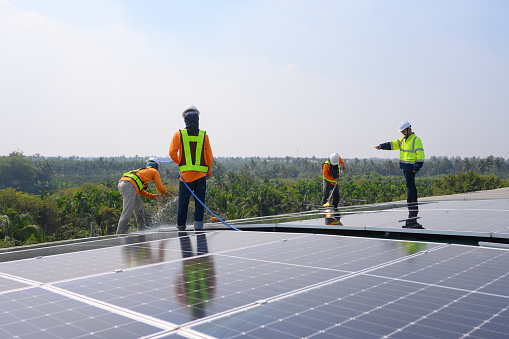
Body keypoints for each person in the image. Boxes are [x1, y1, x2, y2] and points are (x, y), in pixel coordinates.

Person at [169, 105, 213, 231]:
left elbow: (172, 153)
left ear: (185, 119)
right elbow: (209, 156)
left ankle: (181, 227)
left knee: (183, 204)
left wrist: (181, 163)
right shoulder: (204, 136)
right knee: (200, 203)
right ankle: (198, 228)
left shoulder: (178, 135)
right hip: (200, 176)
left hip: (185, 178)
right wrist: (208, 171)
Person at [375, 121, 425, 228]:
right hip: (405, 168)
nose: (402, 133)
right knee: (410, 187)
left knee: (410, 188)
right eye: (401, 131)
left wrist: (417, 166)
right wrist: (381, 146)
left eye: (403, 131)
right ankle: (412, 209)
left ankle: (412, 210)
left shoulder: (416, 140)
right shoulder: (403, 140)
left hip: (411, 168)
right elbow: (392, 144)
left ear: (408, 129)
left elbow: (420, 154)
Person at [116, 157, 172, 234]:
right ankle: (120, 233)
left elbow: (140, 191)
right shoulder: (154, 171)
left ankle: (141, 226)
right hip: (128, 186)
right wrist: (166, 193)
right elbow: (160, 187)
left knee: (139, 204)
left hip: (125, 184)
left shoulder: (143, 172)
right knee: (127, 212)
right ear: (156, 166)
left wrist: (152, 196)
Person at [322, 153, 345, 225]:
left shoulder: (337, 158)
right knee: (326, 195)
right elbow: (325, 176)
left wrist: (343, 165)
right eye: (333, 164)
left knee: (336, 196)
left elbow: (341, 162)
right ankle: (324, 209)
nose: (334, 165)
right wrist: (335, 180)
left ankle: (334, 207)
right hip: (328, 180)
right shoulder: (326, 165)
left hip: (335, 180)